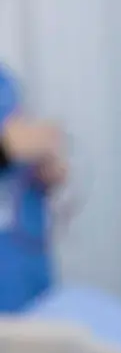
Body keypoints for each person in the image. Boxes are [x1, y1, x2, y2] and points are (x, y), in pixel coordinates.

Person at [0, 63, 68, 311]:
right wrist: (5, 150)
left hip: (24, 274)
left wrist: (43, 167)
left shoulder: (4, 81)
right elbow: (9, 146)